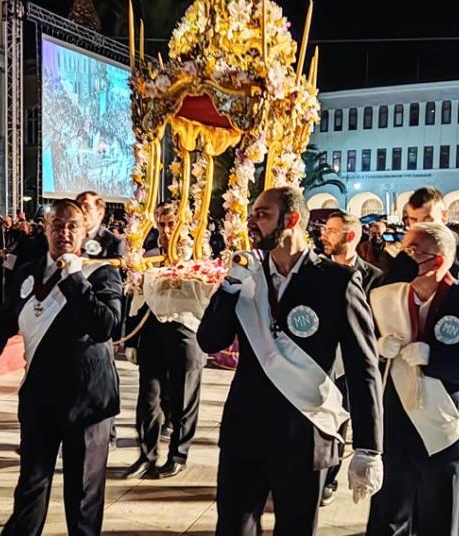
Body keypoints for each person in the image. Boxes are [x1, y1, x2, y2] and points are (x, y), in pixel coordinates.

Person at [198, 187, 384, 535]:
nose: (251, 222)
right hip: (245, 431)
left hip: (304, 433)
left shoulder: (337, 281)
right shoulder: (246, 277)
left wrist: (369, 447)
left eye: (262, 214)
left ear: (292, 219)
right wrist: (228, 288)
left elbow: (363, 366)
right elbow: (209, 340)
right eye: (252, 214)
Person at [0, 199, 123, 535]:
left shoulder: (101, 272)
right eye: (57, 225)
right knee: (31, 486)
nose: (64, 232)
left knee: (82, 497)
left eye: (72, 226)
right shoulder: (28, 270)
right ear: (45, 228)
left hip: (88, 400)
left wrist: (74, 278)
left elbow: (105, 326)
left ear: (84, 232)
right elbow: (6, 318)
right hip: (40, 397)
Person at [366, 222, 459, 536]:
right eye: (404, 248)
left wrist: (436, 358)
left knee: (439, 520)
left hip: (444, 430)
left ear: (438, 260)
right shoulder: (386, 298)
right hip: (395, 427)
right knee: (386, 519)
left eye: (413, 251)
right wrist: (377, 349)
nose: (403, 257)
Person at [123, 202, 205, 480]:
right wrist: (132, 340)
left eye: (172, 224)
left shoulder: (197, 254)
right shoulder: (148, 256)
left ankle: (178, 455)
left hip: (186, 330)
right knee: (149, 398)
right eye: (162, 224)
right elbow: (137, 299)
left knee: (184, 398)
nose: (167, 230)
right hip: (154, 332)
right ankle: (146, 455)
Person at [318, 210, 384, 506]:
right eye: (325, 229)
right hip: (319, 361)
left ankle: (328, 479)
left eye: (332, 230)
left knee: (339, 422)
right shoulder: (316, 271)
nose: (324, 235)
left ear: (351, 236)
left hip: (348, 363)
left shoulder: (373, 277)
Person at [386, 187, 459, 300]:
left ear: (444, 216)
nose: (421, 226)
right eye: (414, 220)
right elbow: (392, 297)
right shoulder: (405, 255)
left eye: (428, 219)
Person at [76, 191, 126, 259]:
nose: (81, 211)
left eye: (86, 207)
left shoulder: (113, 243)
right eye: (77, 207)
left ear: (100, 213)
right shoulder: (67, 237)